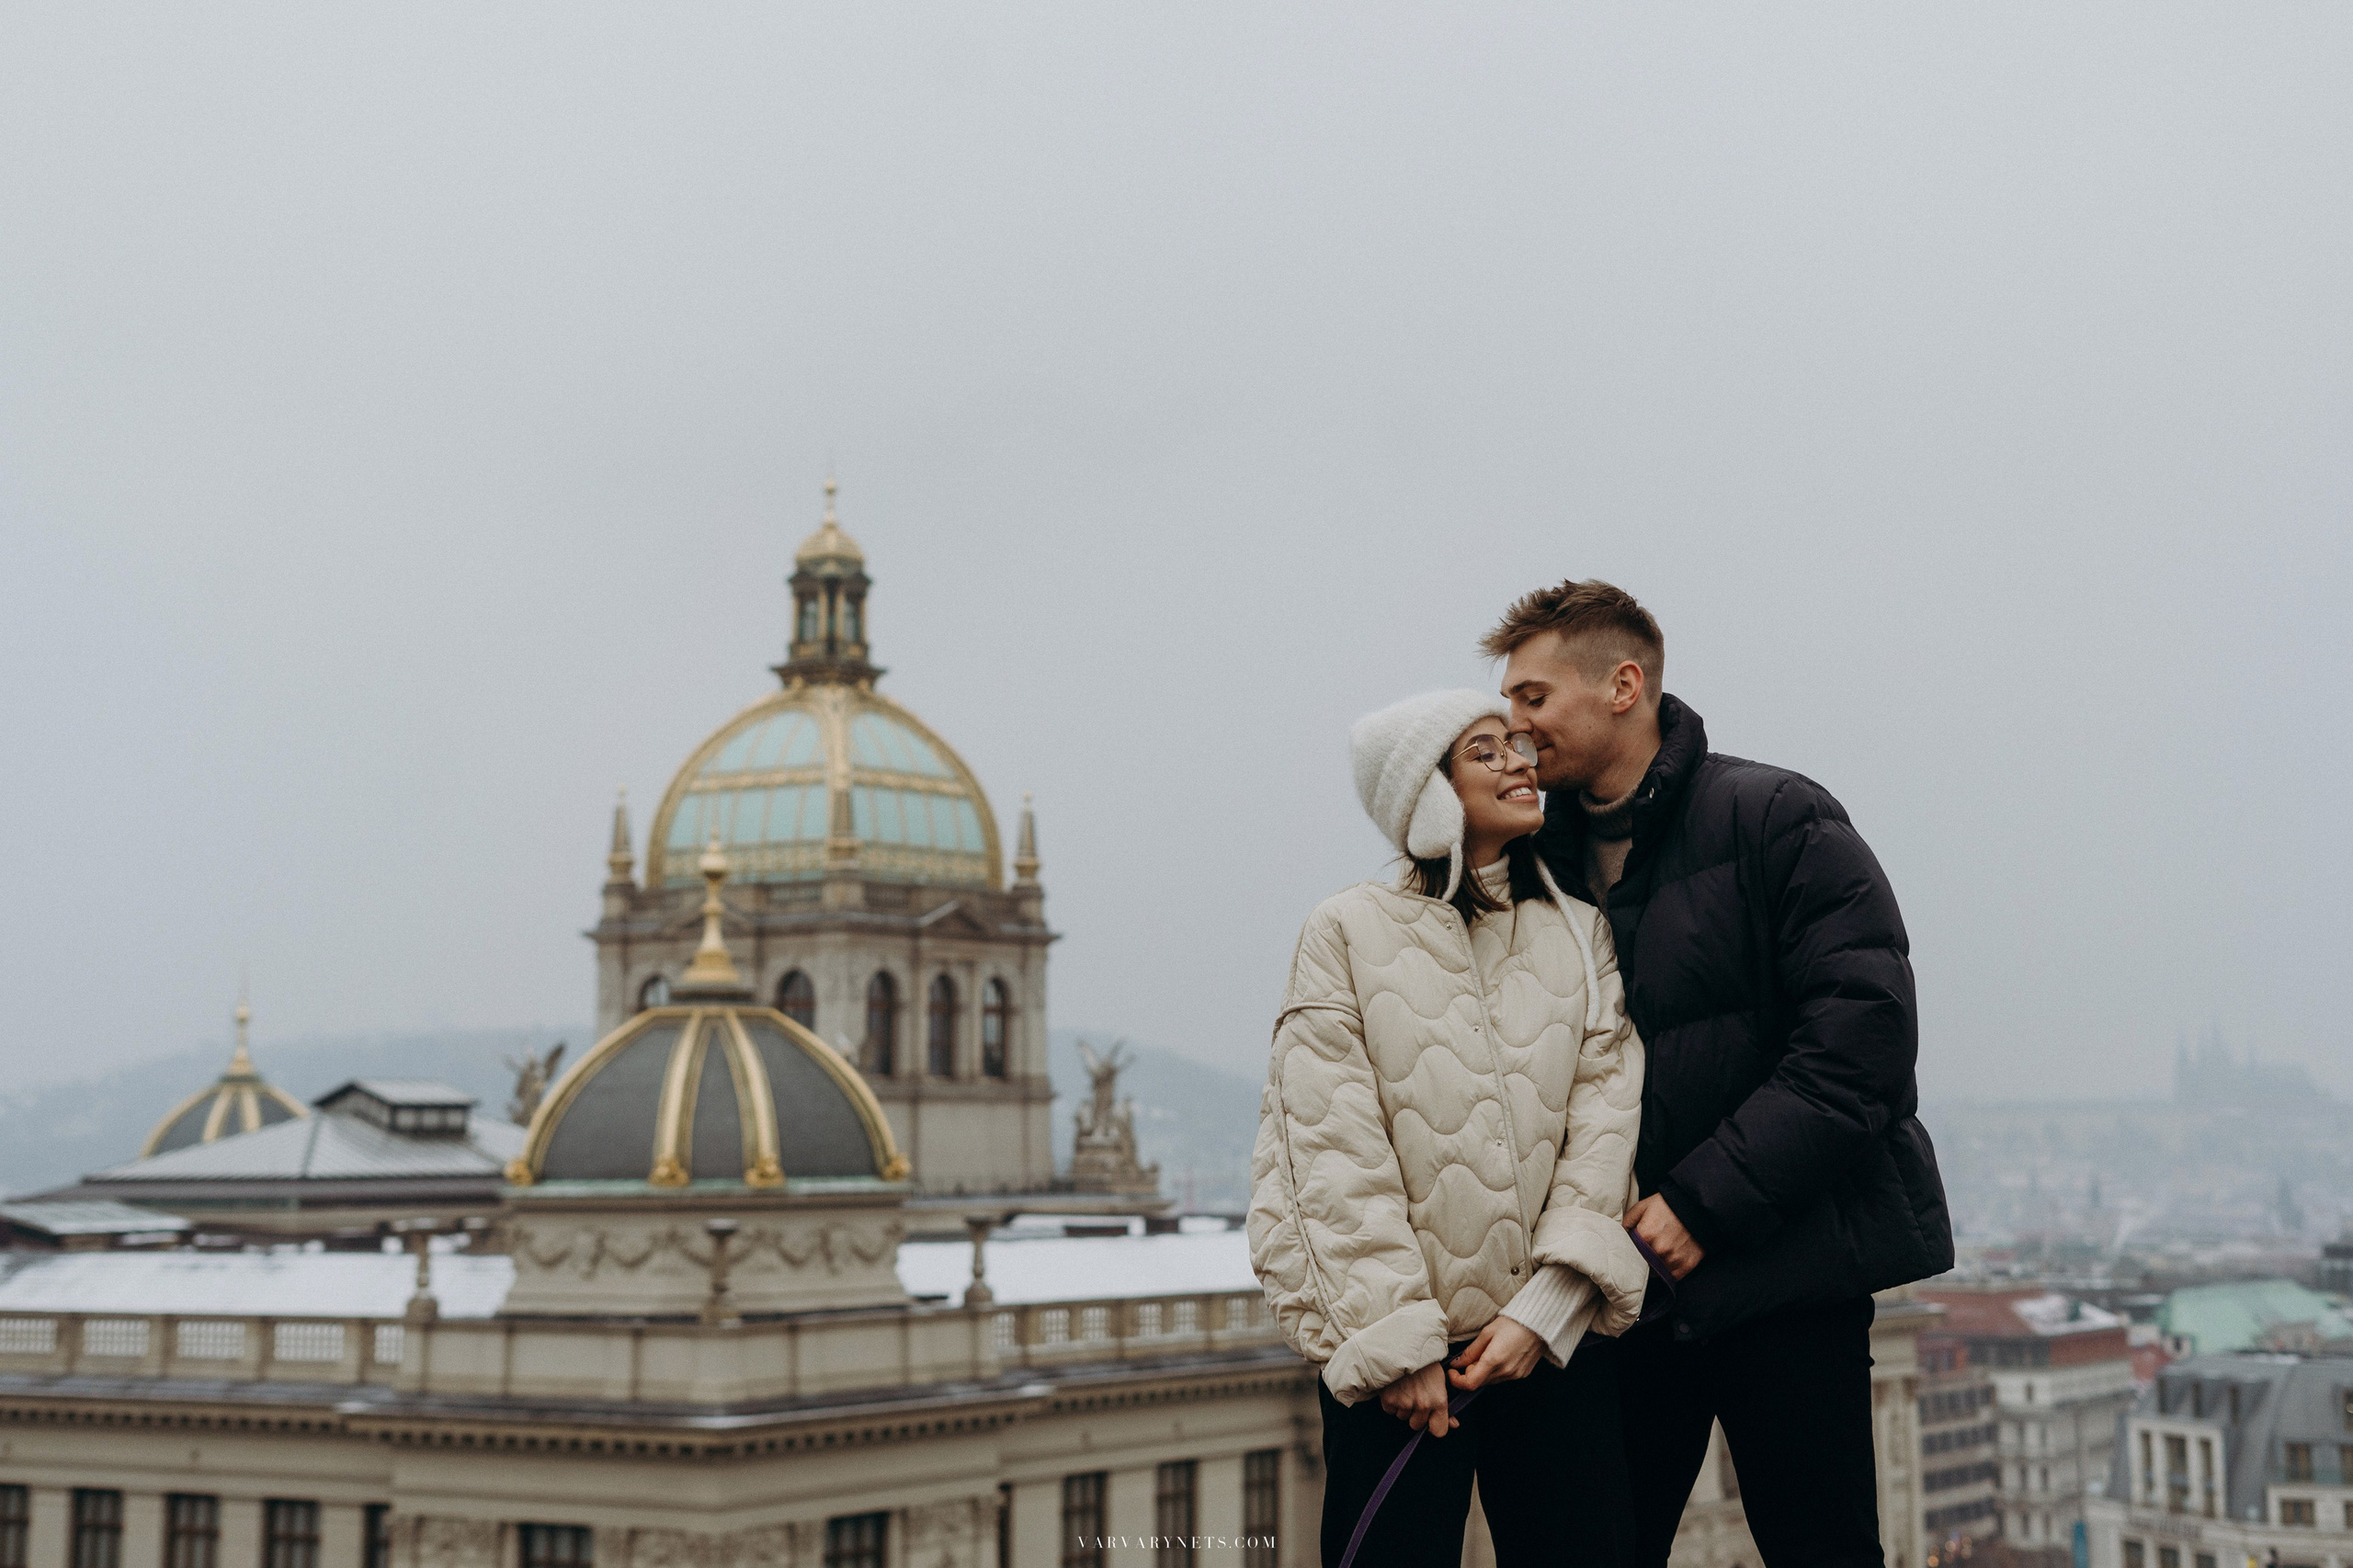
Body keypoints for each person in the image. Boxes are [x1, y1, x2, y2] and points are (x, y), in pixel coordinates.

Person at [1484, 580, 1953, 1568]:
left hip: (1784, 1274)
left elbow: (1859, 1045)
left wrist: (1701, 1203)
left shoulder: (1774, 815)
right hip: (1616, 1292)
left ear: (1623, 684)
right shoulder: (1531, 861)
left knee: (1817, 1548)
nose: (1513, 723)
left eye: (1532, 697)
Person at [1248, 687, 1649, 1568]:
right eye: (1486, 749)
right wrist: (1396, 1346)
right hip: (1404, 1373)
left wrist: (1546, 1312)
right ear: (1424, 789)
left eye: (1518, 744)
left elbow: (1607, 1122)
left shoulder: (1582, 933)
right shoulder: (1346, 930)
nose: (1520, 761)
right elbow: (1327, 1145)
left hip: (1550, 1350)